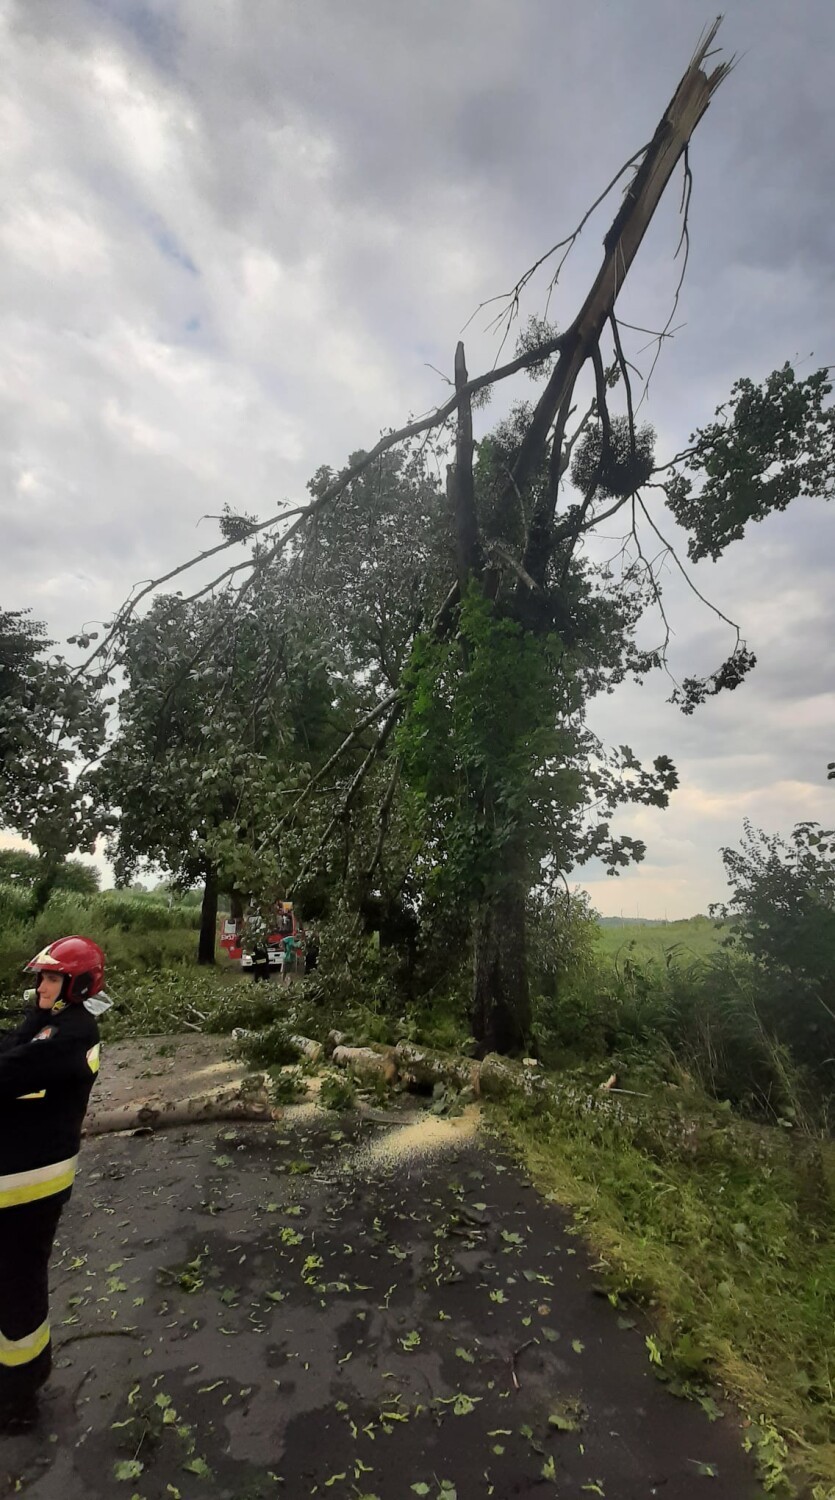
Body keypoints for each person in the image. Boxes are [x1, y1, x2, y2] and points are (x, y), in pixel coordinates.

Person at [0, 935, 106, 1428]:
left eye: (51, 978)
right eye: (42, 977)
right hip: (18, 1175)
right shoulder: (48, 1023)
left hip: (31, 1182)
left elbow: (13, 1068)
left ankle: (18, 1400)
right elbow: (15, 1044)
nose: (41, 986)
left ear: (77, 985)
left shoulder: (72, 1034)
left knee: (18, 1287)